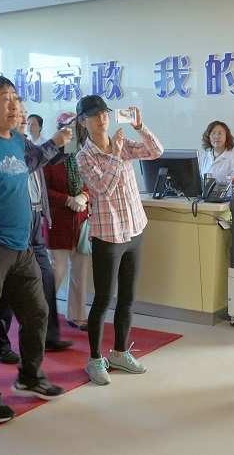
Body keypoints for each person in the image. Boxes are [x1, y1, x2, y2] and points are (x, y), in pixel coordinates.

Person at [0, 75, 69, 423]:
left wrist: (57, 141)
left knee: (37, 313)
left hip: (23, 248)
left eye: (16, 98)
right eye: (6, 98)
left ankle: (30, 376)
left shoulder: (18, 140)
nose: (15, 105)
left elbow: (37, 162)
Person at [76, 95, 164, 386]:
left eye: (104, 112)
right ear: (83, 122)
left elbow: (155, 151)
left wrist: (140, 127)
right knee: (103, 299)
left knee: (128, 298)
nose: (101, 118)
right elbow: (103, 189)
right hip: (108, 235)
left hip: (134, 230)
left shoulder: (123, 142)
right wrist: (115, 153)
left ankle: (120, 353)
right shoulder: (84, 156)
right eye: (94, 114)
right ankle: (94, 359)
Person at [0, 102, 73, 364]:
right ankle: (0, 344)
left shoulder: (24, 142)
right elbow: (26, 165)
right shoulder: (2, 145)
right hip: (14, 220)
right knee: (7, 285)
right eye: (19, 115)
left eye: (25, 115)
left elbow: (50, 159)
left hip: (36, 218)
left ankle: (47, 336)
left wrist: (66, 142)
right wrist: (53, 143)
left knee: (46, 277)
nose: (23, 119)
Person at [44, 111, 91, 331]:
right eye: (67, 128)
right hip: (58, 224)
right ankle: (41, 316)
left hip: (81, 223)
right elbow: (44, 190)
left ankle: (77, 315)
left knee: (80, 272)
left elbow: (91, 183)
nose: (71, 133)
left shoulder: (83, 154)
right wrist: (67, 200)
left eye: (75, 128)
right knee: (56, 272)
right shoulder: (49, 157)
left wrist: (84, 196)